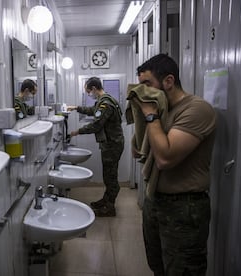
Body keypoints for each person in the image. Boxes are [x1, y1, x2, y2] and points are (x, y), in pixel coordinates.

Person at [131, 53, 216, 275]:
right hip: (155, 201)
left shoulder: (197, 109)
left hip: (184, 208)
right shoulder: (161, 109)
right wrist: (143, 119)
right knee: (157, 265)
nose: (143, 92)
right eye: (140, 86)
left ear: (168, 81)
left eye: (148, 85)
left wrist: (150, 115)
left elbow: (165, 158)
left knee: (183, 270)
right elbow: (137, 151)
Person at [68, 77, 124, 217]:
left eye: (88, 92)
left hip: (112, 144)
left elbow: (96, 125)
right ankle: (106, 200)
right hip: (112, 143)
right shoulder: (105, 100)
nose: (89, 94)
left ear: (93, 89)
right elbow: (93, 110)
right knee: (108, 175)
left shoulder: (105, 104)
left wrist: (77, 132)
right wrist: (77, 108)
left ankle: (110, 207)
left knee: (110, 177)